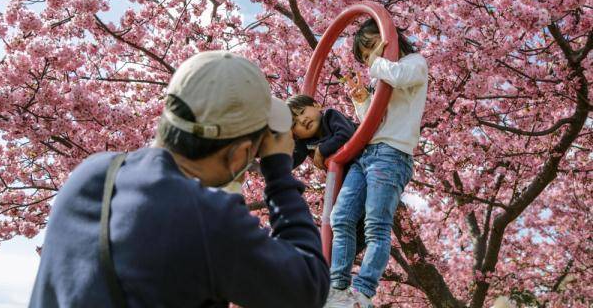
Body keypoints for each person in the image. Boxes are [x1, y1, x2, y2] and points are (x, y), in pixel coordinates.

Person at [29, 51, 330, 308]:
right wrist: (278, 169)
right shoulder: (205, 218)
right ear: (239, 155)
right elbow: (308, 286)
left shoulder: (90, 173)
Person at [324, 19, 428, 308]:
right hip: (367, 153)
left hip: (392, 153)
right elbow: (373, 120)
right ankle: (338, 288)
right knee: (341, 217)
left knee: (376, 226)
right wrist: (361, 100)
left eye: (372, 45)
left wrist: (375, 61)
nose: (370, 55)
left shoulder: (415, 63)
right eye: (365, 53)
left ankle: (363, 291)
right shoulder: (381, 73)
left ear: (389, 37)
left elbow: (397, 76)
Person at [286, 94, 357, 170]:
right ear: (295, 134)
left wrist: (321, 150)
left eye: (302, 112)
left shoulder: (330, 116)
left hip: (364, 155)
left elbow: (345, 134)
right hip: (347, 171)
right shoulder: (306, 144)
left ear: (317, 106)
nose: (302, 120)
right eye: (294, 124)